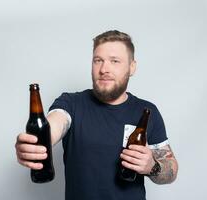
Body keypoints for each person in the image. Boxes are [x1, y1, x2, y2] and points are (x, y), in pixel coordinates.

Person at [15, 30, 178, 200]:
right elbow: (55, 123)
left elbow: (171, 168)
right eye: (98, 61)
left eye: (114, 61)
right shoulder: (71, 103)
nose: (104, 69)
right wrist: (36, 142)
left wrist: (152, 166)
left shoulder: (147, 111)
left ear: (132, 67)